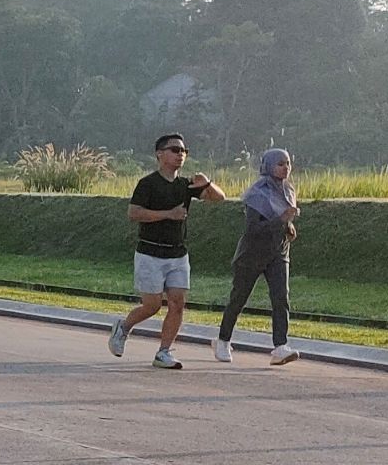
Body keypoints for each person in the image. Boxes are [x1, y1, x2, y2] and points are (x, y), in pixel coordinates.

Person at [107, 133, 226, 369]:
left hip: (178, 254)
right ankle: (124, 327)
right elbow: (134, 213)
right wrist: (167, 215)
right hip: (150, 253)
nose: (180, 154)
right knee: (152, 306)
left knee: (178, 303)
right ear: (160, 155)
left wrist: (207, 184)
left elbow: (219, 199)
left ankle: (164, 352)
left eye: (183, 151)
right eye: (174, 150)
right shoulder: (148, 184)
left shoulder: (186, 185)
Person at [213, 148, 301, 366]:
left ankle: (280, 346)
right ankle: (223, 340)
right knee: (239, 298)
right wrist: (281, 220)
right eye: (280, 164)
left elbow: (282, 220)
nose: (285, 168)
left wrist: (288, 227)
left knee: (281, 298)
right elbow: (253, 228)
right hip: (252, 254)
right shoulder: (256, 194)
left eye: (288, 163)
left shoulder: (288, 190)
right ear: (268, 166)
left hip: (279, 252)